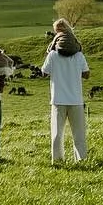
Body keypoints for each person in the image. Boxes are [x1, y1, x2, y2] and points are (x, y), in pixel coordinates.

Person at [42, 18, 90, 162]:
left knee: (57, 133)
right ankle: (81, 159)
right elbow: (87, 74)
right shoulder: (79, 55)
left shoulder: (53, 55)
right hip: (76, 99)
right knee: (79, 133)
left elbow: (44, 72)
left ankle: (57, 160)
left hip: (58, 99)